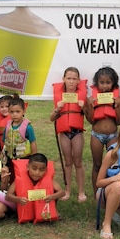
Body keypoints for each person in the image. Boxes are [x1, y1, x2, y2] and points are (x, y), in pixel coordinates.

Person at [83, 66, 120, 196]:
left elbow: (119, 121)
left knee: (112, 165)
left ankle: (110, 192)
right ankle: (97, 194)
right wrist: (89, 105)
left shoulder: (119, 99)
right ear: (96, 83)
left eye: (108, 82)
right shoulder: (91, 99)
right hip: (97, 135)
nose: (105, 86)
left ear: (114, 83)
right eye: (102, 82)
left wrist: (117, 106)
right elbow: (91, 120)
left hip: (113, 135)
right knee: (97, 164)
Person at [50, 67, 87, 202]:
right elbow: (51, 118)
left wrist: (84, 107)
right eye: (69, 78)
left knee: (78, 162)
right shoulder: (60, 96)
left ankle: (81, 192)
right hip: (64, 133)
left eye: (74, 79)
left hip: (77, 133)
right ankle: (67, 190)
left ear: (78, 81)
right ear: (64, 80)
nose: (71, 81)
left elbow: (89, 116)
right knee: (68, 162)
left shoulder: (82, 96)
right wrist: (57, 109)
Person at [5, 153, 65, 223]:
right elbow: (8, 196)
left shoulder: (48, 180)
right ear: (27, 167)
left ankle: (54, 211)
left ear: (46, 170)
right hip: (26, 208)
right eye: (34, 168)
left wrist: (52, 197)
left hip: (43, 208)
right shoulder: (20, 180)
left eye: (41, 170)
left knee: (53, 190)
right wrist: (18, 199)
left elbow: (62, 192)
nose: (37, 173)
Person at [3, 96, 37, 161]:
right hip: (9, 158)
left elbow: (33, 142)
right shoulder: (7, 125)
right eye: (12, 112)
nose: (14, 114)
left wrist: (34, 158)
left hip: (24, 159)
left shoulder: (28, 127)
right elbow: (4, 140)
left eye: (18, 111)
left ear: (23, 111)